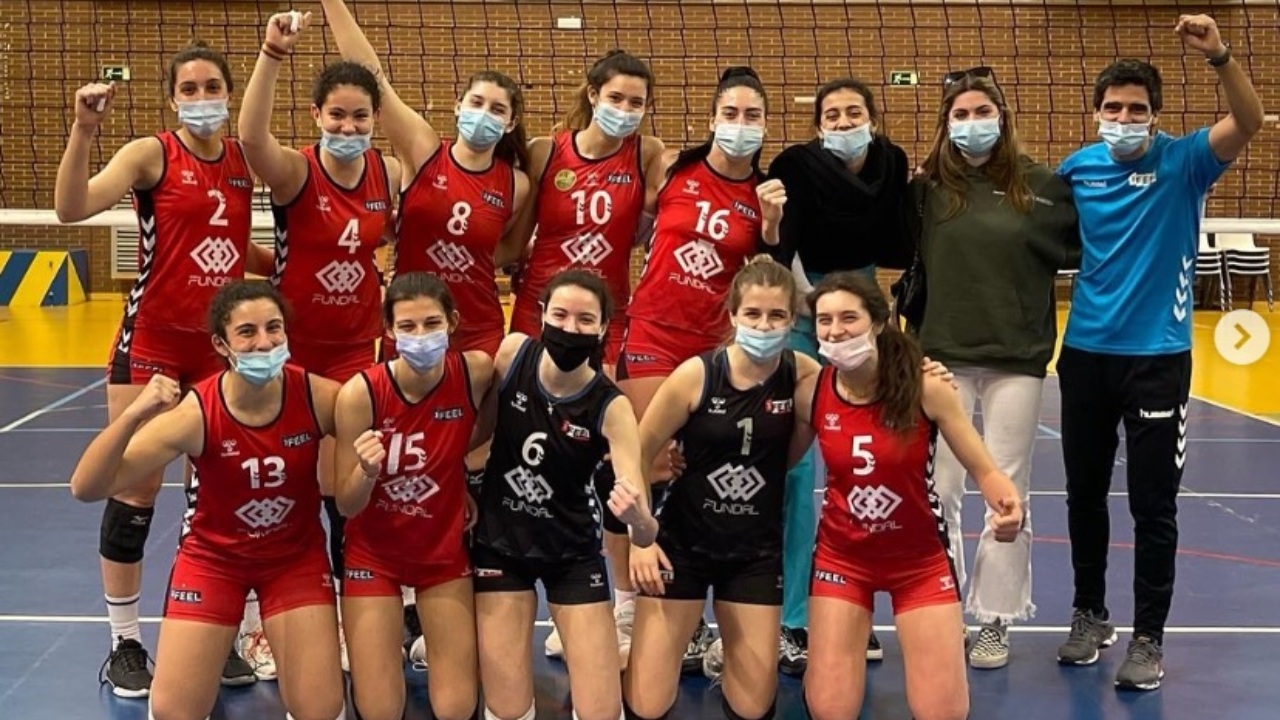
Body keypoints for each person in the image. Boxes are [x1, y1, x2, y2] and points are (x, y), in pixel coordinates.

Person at [54, 42, 271, 696]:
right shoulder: (152, 154)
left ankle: (215, 629)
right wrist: (83, 130)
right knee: (136, 489)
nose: (202, 97)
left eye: (213, 86)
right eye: (190, 88)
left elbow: (232, 240)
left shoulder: (244, 161)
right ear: (173, 99)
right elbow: (72, 208)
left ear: (229, 94)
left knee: (220, 493)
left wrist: (293, 266)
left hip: (219, 349)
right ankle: (125, 643)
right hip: (152, 342)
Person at [1053, 14, 1262, 690]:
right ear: (1096, 114)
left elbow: (1250, 121)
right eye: (1113, 108)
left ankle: (1148, 637)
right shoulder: (1076, 169)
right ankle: (1089, 614)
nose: (1123, 118)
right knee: (1083, 496)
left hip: (1158, 360)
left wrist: (1220, 54)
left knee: (1153, 506)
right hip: (1085, 355)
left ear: (1154, 116)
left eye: (1136, 109)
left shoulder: (1184, 161)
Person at [68, 280, 346, 720]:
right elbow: (86, 486)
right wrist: (135, 413)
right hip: (215, 561)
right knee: (174, 711)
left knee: (321, 709)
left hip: (294, 560)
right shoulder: (197, 412)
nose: (264, 342)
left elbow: (391, 415)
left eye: (274, 328)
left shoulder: (319, 396)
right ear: (221, 343)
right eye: (247, 332)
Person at [236, 13, 401, 674]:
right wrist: (272, 53)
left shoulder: (388, 172)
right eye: (337, 116)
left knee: (346, 490)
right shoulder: (296, 174)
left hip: (357, 352)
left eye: (360, 117)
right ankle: (256, 621)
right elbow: (251, 138)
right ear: (316, 115)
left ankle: (349, 612)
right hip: (291, 354)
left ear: (375, 119)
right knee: (282, 487)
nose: (349, 128)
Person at [615, 65, 787, 666]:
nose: (740, 124)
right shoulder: (673, 168)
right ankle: (629, 605)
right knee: (650, 462)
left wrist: (770, 226)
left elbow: (769, 276)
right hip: (652, 331)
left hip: (714, 348)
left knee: (701, 470)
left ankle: (697, 613)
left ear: (765, 125)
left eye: (752, 115)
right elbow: (635, 227)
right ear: (713, 118)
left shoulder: (764, 195)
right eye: (730, 113)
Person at [792, 272, 1022, 720]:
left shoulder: (925, 386)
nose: (835, 331)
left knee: (942, 712)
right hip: (842, 560)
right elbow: (774, 460)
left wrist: (1007, 506)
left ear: (878, 323)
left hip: (918, 562)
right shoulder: (812, 393)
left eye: (849, 318)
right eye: (824, 320)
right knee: (829, 707)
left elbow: (986, 470)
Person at [915, 69, 1080, 669]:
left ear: (1003, 117)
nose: (972, 123)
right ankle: (943, 608)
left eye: (982, 111)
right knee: (939, 491)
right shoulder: (928, 190)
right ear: (946, 124)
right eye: (960, 114)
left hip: (1017, 357)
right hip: (941, 357)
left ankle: (995, 620)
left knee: (1008, 486)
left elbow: (1089, 247)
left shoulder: (1044, 188)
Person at [513, 47, 666, 665]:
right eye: (616, 97)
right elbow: (514, 237)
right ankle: (516, 592)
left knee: (603, 463)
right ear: (592, 92)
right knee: (519, 459)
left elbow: (655, 227)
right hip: (538, 317)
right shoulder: (547, 152)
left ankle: (620, 605)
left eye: (636, 102)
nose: (625, 110)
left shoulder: (646, 153)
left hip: (606, 324)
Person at [763, 76, 914, 673]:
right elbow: (783, 248)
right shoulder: (795, 166)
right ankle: (795, 617)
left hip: (862, 312)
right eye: (833, 115)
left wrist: (864, 317)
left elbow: (896, 245)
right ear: (818, 124)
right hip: (806, 309)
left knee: (868, 461)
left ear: (872, 118)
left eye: (854, 112)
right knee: (798, 471)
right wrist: (813, 307)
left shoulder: (891, 164)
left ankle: (856, 610)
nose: (845, 122)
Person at [624, 256, 816, 720]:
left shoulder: (804, 375)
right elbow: (636, 451)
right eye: (753, 314)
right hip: (682, 548)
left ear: (792, 319)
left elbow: (864, 393)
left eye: (776, 315)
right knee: (648, 704)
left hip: (753, 554)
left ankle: (725, 658)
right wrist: (640, 538)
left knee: (753, 707)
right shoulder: (698, 374)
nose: (764, 326)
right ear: (732, 315)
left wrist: (923, 375)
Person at [470, 270, 659, 720]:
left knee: (601, 712)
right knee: (507, 710)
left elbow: (644, 523)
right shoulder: (513, 354)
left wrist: (639, 521)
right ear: (541, 315)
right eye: (560, 315)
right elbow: (476, 435)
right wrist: (459, 485)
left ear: (603, 327)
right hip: (501, 546)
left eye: (584, 320)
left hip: (572, 553)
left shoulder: (611, 406)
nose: (570, 328)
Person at [320, 0, 532, 359]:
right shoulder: (423, 150)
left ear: (510, 123)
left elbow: (505, 250)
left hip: (477, 327)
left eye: (497, 109)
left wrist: (459, 252)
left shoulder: (516, 184)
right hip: (410, 321)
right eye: (476, 103)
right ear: (458, 106)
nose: (484, 114)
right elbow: (373, 77)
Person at [333, 272, 492, 720]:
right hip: (373, 557)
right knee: (380, 709)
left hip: (441, 554)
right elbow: (345, 504)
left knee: (457, 707)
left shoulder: (476, 372)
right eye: (407, 326)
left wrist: (460, 477)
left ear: (452, 322)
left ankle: (427, 643)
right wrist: (366, 472)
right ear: (389, 330)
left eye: (431, 323)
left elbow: (484, 429)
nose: (420, 336)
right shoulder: (360, 394)